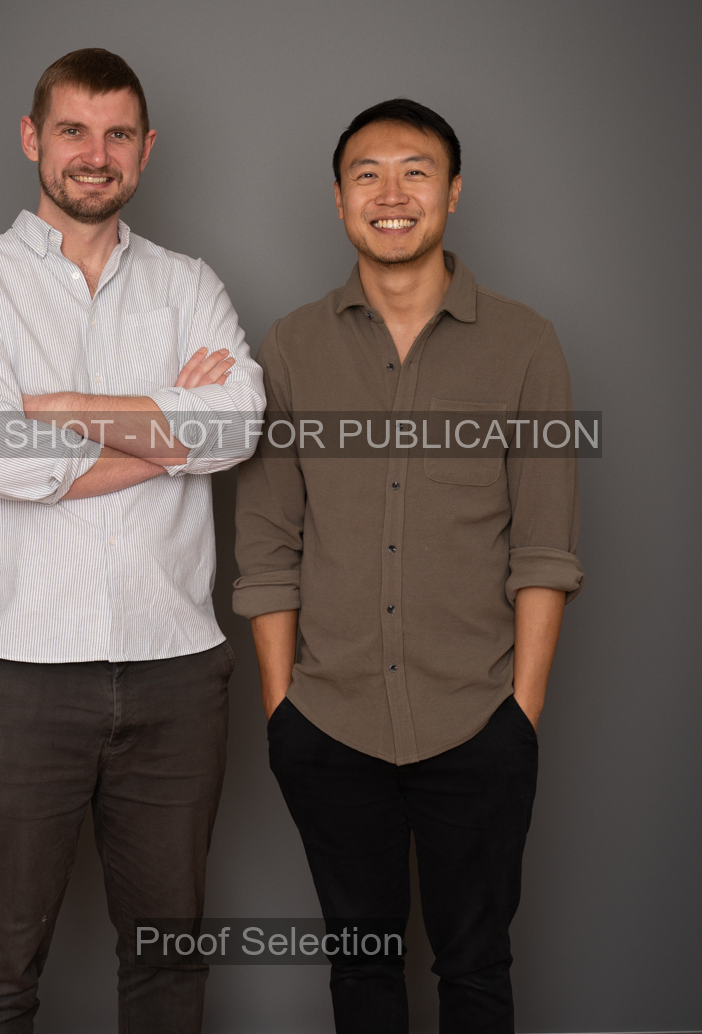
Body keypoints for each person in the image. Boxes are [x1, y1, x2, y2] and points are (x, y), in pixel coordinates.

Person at [0, 47, 264, 1033]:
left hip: (176, 675)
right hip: (17, 674)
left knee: (168, 968)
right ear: (33, 138)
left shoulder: (189, 284)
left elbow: (237, 427)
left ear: (146, 149)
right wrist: (168, 435)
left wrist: (61, 407)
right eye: (73, 130)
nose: (94, 153)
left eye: (117, 135)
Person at [233, 98, 583, 1033]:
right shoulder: (291, 347)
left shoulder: (524, 345)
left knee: (476, 970)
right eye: (367, 175)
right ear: (338, 198)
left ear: (453, 192)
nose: (390, 195)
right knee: (360, 972)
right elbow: (267, 542)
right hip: (328, 723)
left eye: (415, 172)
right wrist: (283, 711)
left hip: (478, 719)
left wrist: (519, 715)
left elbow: (543, 546)